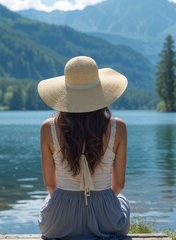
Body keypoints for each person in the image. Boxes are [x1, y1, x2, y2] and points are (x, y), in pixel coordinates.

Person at [37, 56, 130, 239]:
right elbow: (118, 184)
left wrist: (69, 205)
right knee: (123, 201)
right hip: (106, 221)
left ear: (65, 93)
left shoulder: (48, 128)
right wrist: (99, 202)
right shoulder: (118, 128)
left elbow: (50, 184)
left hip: (60, 223)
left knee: (48, 203)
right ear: (100, 92)